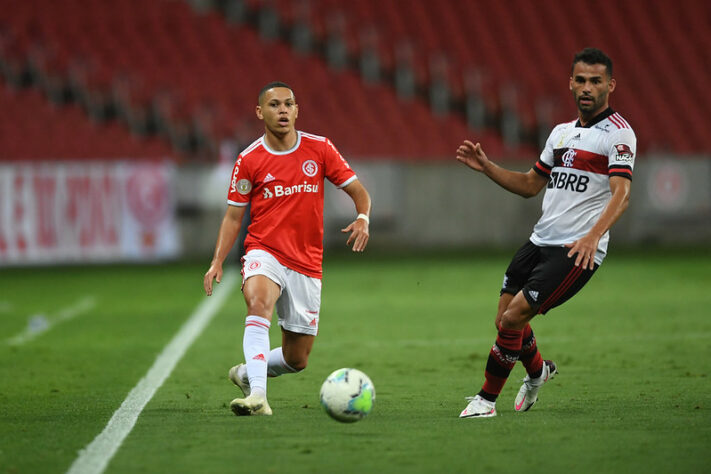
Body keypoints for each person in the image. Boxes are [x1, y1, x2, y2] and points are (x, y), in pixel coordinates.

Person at [456, 48, 635, 418]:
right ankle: (538, 372)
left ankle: (486, 401)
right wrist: (488, 167)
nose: (587, 88)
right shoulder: (561, 133)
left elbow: (622, 195)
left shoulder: (619, 135)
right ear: (570, 83)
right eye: (581, 80)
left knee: (513, 319)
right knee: (504, 319)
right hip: (540, 240)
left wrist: (592, 236)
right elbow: (529, 184)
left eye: (596, 81)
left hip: (576, 250)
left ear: (610, 86)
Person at [203, 81, 371, 416]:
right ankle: (259, 397)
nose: (283, 111)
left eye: (289, 104)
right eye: (275, 105)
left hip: (307, 262)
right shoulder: (249, 159)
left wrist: (363, 217)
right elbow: (234, 216)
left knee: (297, 359)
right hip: (264, 251)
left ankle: (247, 373)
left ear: (297, 110)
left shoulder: (320, 149)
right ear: (260, 112)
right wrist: (217, 261)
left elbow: (358, 191)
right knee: (258, 303)